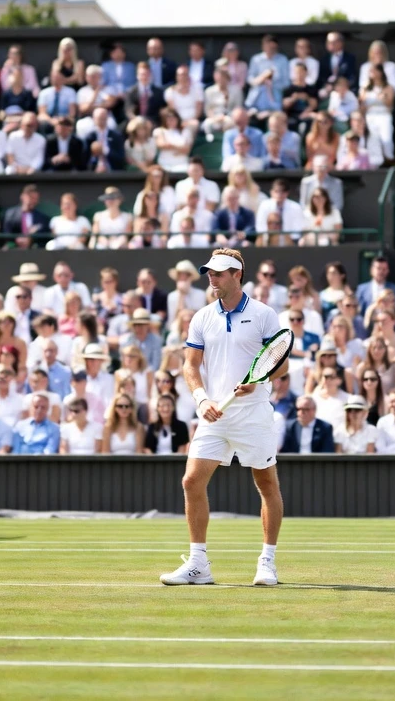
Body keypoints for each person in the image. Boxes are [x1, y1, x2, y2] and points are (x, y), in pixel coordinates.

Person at [160, 249, 286, 587]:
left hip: (254, 413)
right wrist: (201, 400)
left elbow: (281, 364)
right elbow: (190, 365)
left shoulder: (264, 315)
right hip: (214, 415)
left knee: (266, 484)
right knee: (191, 481)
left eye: (218, 273)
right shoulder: (201, 317)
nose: (212, 278)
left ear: (236, 274)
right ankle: (199, 564)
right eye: (209, 273)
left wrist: (257, 380)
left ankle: (267, 562)